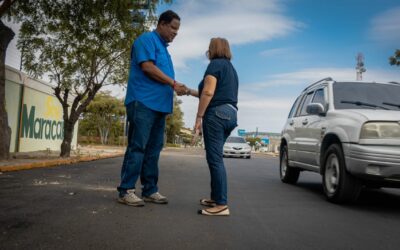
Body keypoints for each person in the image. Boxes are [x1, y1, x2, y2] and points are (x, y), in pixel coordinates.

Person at [117, 10, 186, 206]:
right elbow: (147, 67)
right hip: (143, 102)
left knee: (154, 149)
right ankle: (126, 190)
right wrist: (173, 83)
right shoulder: (146, 40)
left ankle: (150, 190)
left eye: (177, 30)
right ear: (162, 24)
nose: (175, 33)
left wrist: (181, 88)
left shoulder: (165, 49)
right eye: (173, 28)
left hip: (160, 107)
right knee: (137, 147)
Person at [182, 38, 238, 216]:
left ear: (212, 50)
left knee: (215, 160)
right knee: (216, 158)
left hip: (216, 115)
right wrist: (189, 91)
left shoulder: (215, 64)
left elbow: (208, 92)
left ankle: (221, 204)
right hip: (230, 113)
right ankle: (216, 198)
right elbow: (210, 92)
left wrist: (199, 117)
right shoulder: (231, 69)